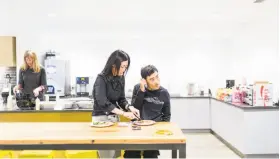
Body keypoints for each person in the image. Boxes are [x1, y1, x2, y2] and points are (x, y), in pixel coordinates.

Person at [92, 50, 140, 159]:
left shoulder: (121, 78)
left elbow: (121, 99)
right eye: (122, 67)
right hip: (101, 119)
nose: (124, 70)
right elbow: (102, 102)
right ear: (114, 65)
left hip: (114, 118)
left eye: (126, 67)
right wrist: (123, 113)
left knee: (116, 154)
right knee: (106, 154)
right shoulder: (101, 78)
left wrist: (129, 107)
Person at [124, 65, 171, 159]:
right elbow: (134, 109)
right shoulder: (138, 88)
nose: (157, 81)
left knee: (151, 155)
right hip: (136, 127)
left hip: (154, 129)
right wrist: (142, 90)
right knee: (131, 155)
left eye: (157, 77)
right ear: (145, 80)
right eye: (152, 79)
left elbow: (167, 115)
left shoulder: (164, 93)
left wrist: (161, 131)